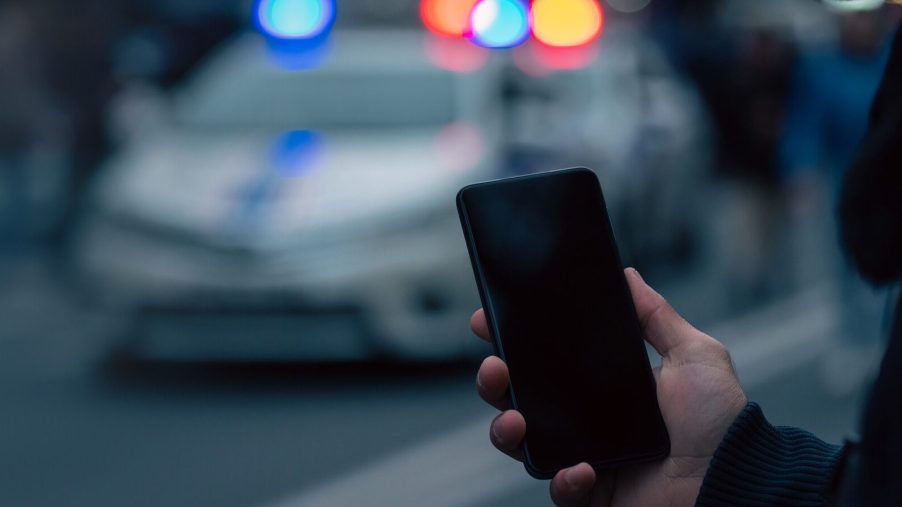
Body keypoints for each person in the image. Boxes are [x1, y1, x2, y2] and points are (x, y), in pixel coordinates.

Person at [470, 23, 902, 507]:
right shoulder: (815, 68)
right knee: (838, 270)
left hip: (797, 174)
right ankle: (841, 333)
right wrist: (733, 470)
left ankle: (849, 337)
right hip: (770, 171)